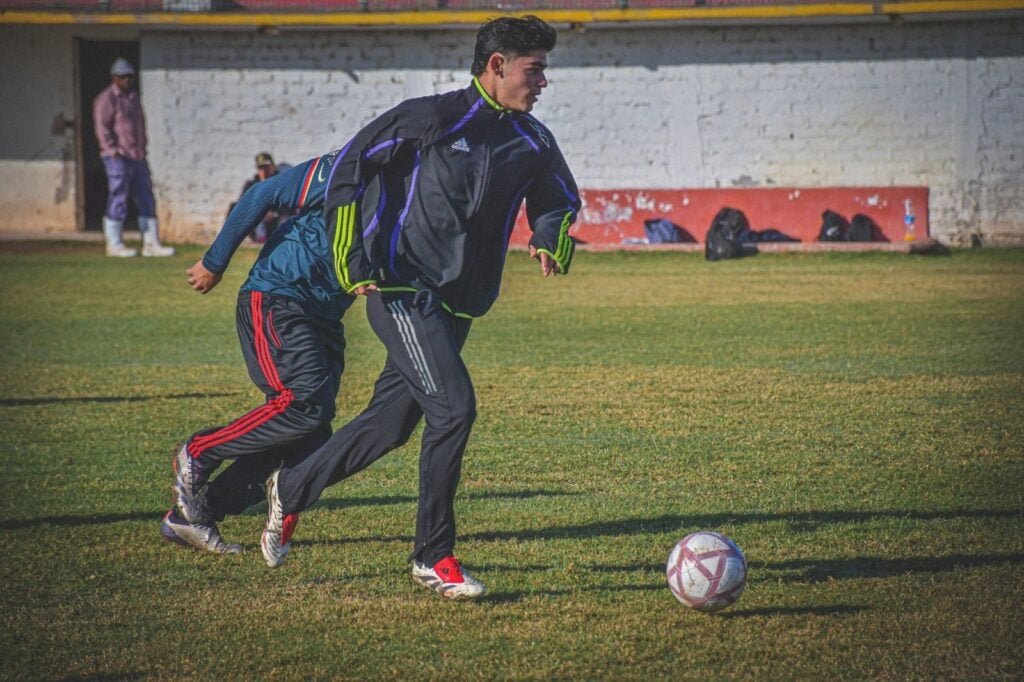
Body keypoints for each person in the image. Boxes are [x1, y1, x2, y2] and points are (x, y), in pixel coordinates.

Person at [256, 15, 580, 600]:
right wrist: (351, 256)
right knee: (454, 410)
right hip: (400, 289)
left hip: (458, 308)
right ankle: (434, 557)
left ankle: (292, 487)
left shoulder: (533, 139)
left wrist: (549, 232)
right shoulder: (431, 117)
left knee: (390, 424)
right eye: (535, 70)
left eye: (545, 71)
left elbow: (558, 198)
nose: (543, 82)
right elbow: (352, 166)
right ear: (497, 65)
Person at [161, 148, 352, 553]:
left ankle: (195, 515)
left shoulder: (432, 193)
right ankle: (198, 451)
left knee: (310, 437)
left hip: (325, 314)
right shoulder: (356, 162)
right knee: (303, 405)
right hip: (279, 295)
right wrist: (215, 261)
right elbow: (261, 195)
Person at [92, 57, 174, 258]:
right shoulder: (107, 99)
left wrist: (143, 148)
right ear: (114, 78)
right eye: (122, 77)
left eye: (129, 77)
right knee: (119, 195)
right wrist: (112, 150)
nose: (126, 81)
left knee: (146, 196)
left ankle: (151, 243)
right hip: (118, 157)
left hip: (137, 156)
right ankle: (115, 243)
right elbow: (102, 128)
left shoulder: (133, 98)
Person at [230, 152, 292, 244]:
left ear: (273, 166)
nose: (264, 171)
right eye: (261, 168)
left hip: (277, 221)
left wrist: (275, 214)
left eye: (266, 167)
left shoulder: (282, 183)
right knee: (234, 207)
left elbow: (290, 204)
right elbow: (242, 205)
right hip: (257, 223)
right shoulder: (251, 185)